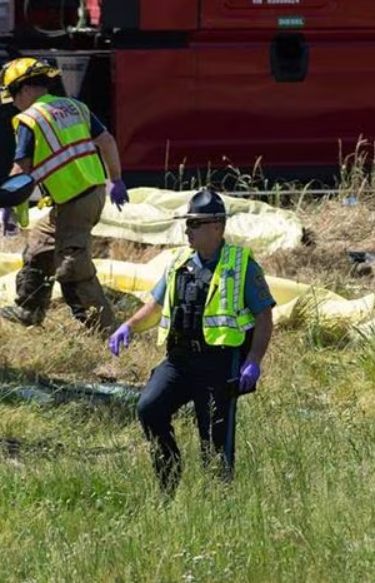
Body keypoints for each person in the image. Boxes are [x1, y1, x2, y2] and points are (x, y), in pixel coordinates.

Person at [109, 190, 275, 492]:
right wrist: (129, 327)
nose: (187, 231)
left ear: (216, 227)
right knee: (150, 408)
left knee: (213, 443)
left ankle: (219, 507)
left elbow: (264, 318)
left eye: (194, 225)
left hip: (219, 365)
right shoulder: (178, 262)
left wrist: (253, 362)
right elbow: (156, 306)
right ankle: (168, 479)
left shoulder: (242, 266)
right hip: (179, 361)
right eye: (187, 224)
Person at [0, 57, 128, 333]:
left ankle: (104, 330)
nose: (14, 104)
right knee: (40, 247)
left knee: (72, 267)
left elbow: (21, 168)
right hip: (88, 195)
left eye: (13, 97)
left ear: (25, 89)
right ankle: (28, 310)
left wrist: (7, 204)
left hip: (75, 202)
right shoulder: (75, 107)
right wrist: (115, 181)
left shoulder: (30, 119)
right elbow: (107, 141)